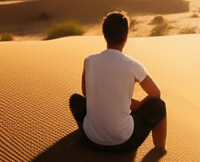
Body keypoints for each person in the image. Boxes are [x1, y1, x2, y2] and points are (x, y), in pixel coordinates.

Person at [69, 12, 167, 153]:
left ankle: (91, 129)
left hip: (90, 139)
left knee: (75, 100)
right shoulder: (133, 65)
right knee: (159, 106)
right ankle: (159, 151)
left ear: (104, 35)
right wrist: (136, 105)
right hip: (124, 143)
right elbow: (155, 93)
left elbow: (86, 93)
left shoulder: (89, 61)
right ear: (126, 37)